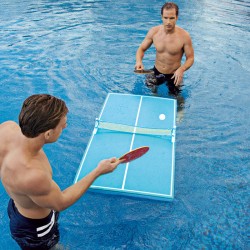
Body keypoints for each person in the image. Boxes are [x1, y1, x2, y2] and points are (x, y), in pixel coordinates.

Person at [0, 94, 122, 250]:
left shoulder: (6, 129)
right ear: (48, 133)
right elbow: (61, 202)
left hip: (17, 206)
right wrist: (98, 171)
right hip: (36, 230)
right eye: (62, 125)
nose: (65, 126)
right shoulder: (33, 175)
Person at [135, 2, 194, 95]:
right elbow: (141, 49)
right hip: (156, 71)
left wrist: (182, 69)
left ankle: (180, 109)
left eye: (172, 18)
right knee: (151, 92)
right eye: (165, 18)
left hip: (174, 74)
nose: (168, 22)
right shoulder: (154, 32)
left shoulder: (184, 36)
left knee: (177, 98)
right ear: (161, 17)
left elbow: (190, 58)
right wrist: (139, 62)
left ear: (177, 17)